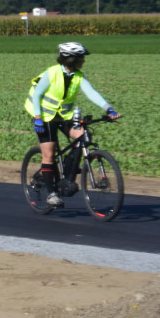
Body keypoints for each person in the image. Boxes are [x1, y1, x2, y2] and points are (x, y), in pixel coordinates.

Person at [24, 41, 120, 207]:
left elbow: (92, 93)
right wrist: (38, 117)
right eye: (81, 57)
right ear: (71, 58)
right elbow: (38, 94)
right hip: (44, 115)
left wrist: (108, 109)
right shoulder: (52, 73)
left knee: (82, 135)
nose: (83, 60)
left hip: (64, 115)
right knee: (49, 153)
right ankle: (51, 193)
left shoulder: (78, 76)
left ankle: (67, 179)